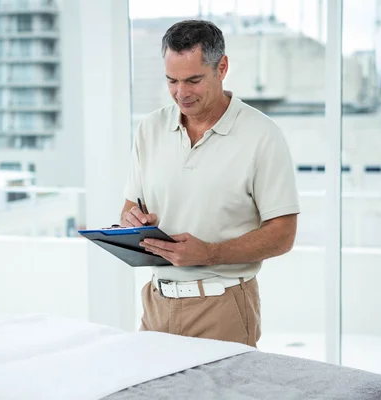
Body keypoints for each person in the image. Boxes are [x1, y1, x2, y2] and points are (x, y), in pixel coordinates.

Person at [121, 19, 300, 348]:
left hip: (223, 306)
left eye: (193, 80)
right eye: (171, 80)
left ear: (222, 68)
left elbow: (284, 234)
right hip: (155, 304)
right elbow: (131, 206)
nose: (181, 93)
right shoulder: (149, 129)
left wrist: (211, 253)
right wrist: (131, 220)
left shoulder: (262, 135)